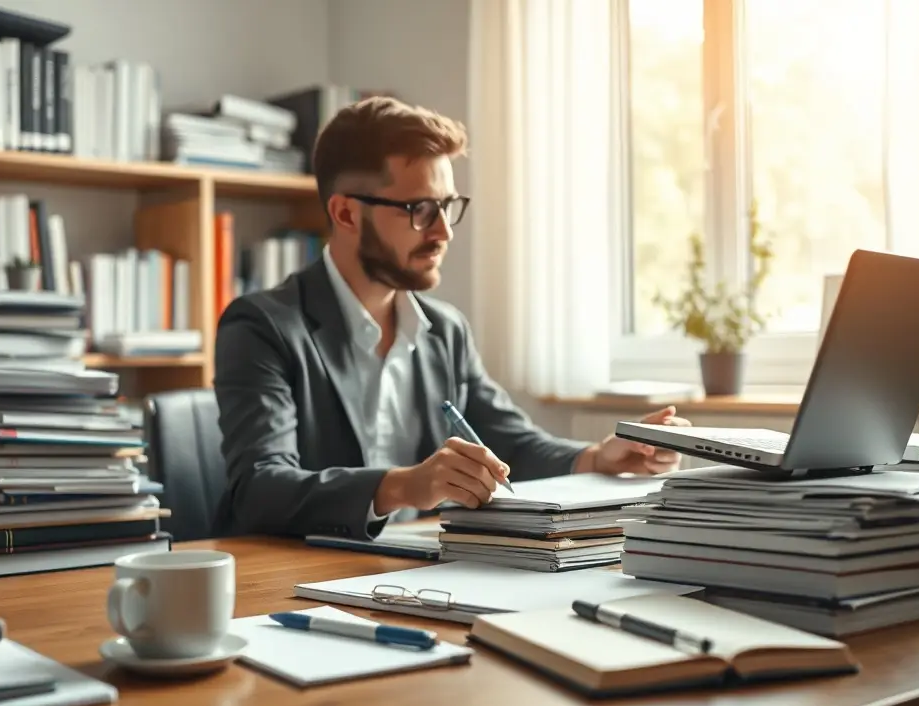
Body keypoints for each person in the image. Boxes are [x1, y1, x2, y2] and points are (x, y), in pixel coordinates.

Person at [211, 96, 690, 540]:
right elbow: (260, 488)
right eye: (419, 209)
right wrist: (402, 487)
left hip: (414, 570)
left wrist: (598, 457)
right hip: (297, 578)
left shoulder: (445, 330)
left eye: (447, 206)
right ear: (346, 214)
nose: (443, 232)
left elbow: (511, 444)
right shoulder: (262, 327)